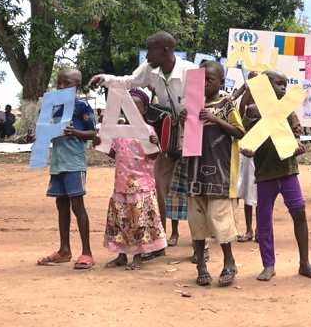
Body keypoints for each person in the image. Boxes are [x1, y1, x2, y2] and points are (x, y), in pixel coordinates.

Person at [89, 31, 196, 259]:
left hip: (192, 135)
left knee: (194, 191)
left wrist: (191, 112)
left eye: (151, 50)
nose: (147, 55)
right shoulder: (149, 70)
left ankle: (200, 246)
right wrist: (105, 78)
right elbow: (128, 81)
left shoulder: (191, 72)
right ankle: (158, 244)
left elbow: (198, 108)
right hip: (165, 138)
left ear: (165, 50)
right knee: (159, 188)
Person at [241, 71, 311, 282]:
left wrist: (298, 147)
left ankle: (304, 263)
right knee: (264, 219)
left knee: (299, 213)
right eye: (278, 84)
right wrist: (247, 148)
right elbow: (246, 139)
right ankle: (268, 265)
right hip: (265, 174)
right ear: (265, 87)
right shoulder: (252, 111)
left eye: (285, 84)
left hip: (287, 171)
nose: (283, 88)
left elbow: (295, 138)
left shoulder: (287, 112)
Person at [189, 61, 245, 287]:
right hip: (194, 171)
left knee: (220, 219)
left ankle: (229, 262)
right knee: (197, 221)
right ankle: (201, 266)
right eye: (201, 79)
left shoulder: (227, 104)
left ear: (221, 82)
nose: (204, 83)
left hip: (220, 172)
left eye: (209, 79)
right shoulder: (192, 104)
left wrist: (215, 119)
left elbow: (240, 132)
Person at [100, 89, 167, 270]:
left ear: (144, 110)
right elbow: (115, 153)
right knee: (120, 219)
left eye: (136, 108)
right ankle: (121, 255)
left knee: (139, 221)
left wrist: (155, 144)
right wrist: (101, 143)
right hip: (121, 185)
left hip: (141, 185)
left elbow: (153, 157)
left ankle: (138, 257)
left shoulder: (148, 131)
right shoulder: (119, 131)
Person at [37, 69, 96, 269]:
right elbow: (45, 130)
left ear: (76, 85)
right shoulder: (52, 106)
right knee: (61, 205)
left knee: (77, 205)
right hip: (58, 163)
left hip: (74, 162)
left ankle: (87, 252)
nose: (61, 86)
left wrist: (76, 131)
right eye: (59, 82)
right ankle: (64, 250)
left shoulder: (82, 106)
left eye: (66, 83)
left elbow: (94, 134)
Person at [236, 71, 258, 243]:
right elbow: (241, 111)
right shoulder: (248, 103)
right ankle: (249, 230)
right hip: (247, 154)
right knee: (247, 194)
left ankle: (259, 230)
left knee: (260, 195)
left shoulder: (267, 103)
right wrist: (248, 88)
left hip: (263, 156)